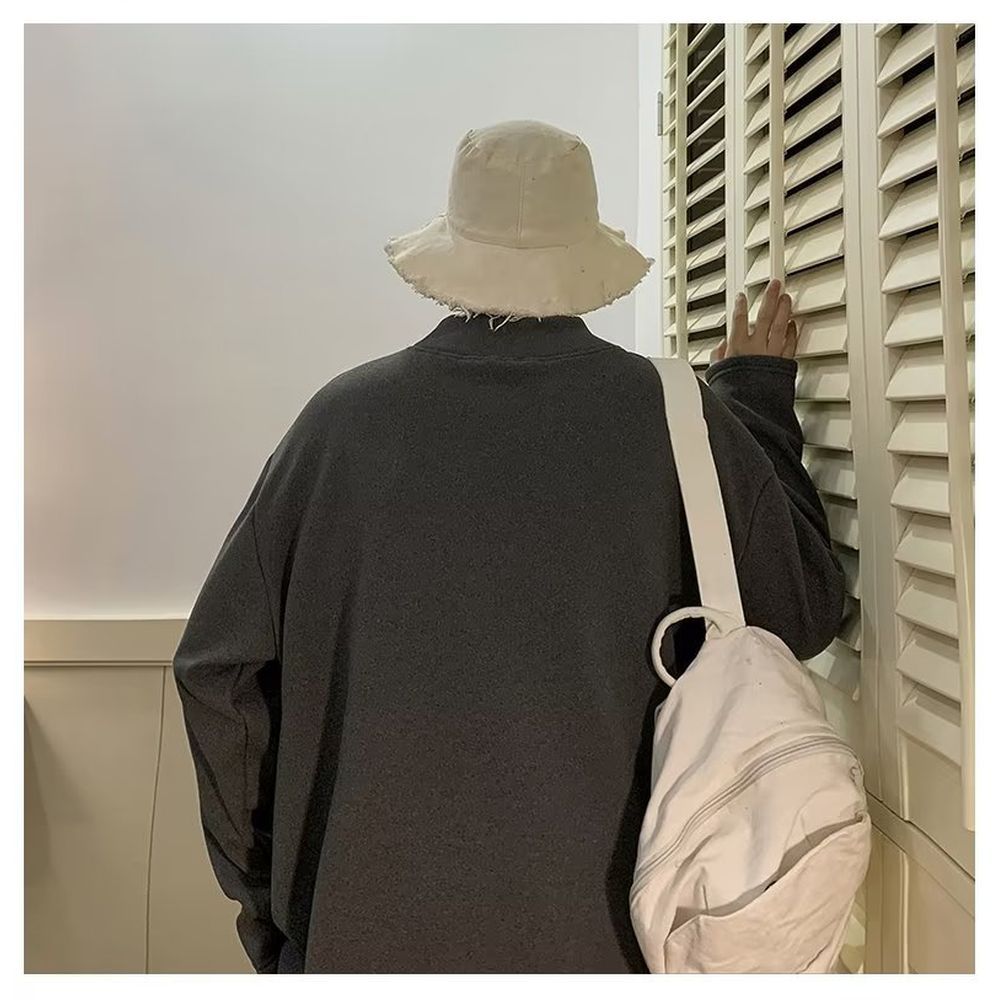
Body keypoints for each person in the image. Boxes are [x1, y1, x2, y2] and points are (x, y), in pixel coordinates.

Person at [172, 119, 845, 974]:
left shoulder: (339, 427)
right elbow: (801, 610)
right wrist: (756, 400)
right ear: (585, 256)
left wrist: (280, 905)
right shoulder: (679, 419)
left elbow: (217, 672)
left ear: (454, 250)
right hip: (611, 946)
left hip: (364, 936)